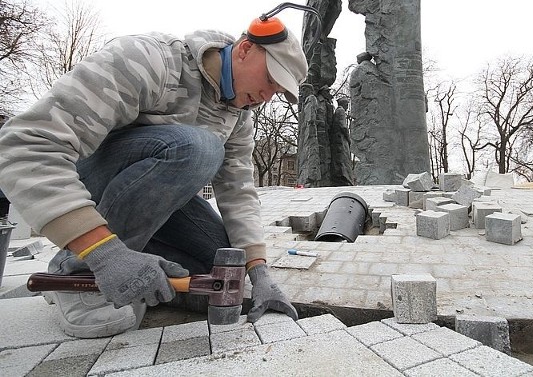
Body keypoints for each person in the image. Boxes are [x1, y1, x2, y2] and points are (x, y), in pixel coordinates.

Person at [0, 20, 307, 338]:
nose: (267, 96)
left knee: (215, 276)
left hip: (152, 198)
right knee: (199, 149)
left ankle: (135, 268)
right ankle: (78, 270)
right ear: (245, 49)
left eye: (278, 92)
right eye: (270, 80)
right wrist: (106, 255)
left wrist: (259, 272)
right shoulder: (148, 61)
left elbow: (237, 190)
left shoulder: (238, 115)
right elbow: (24, 145)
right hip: (85, 185)